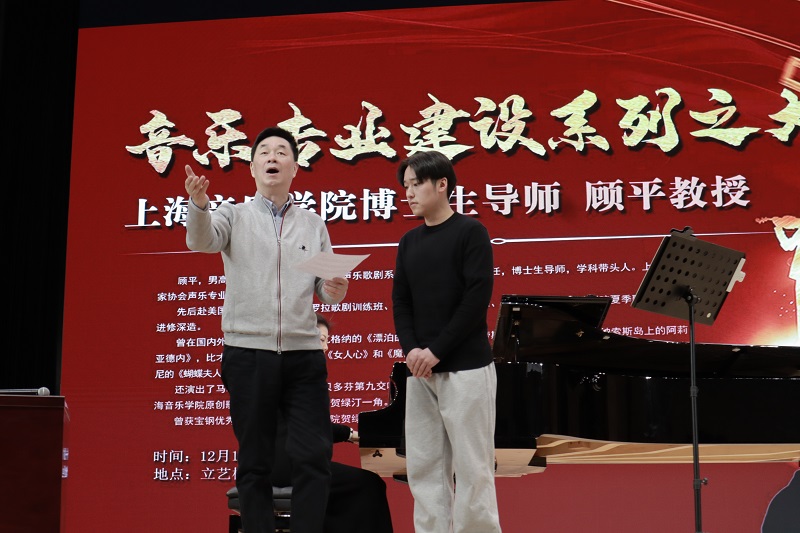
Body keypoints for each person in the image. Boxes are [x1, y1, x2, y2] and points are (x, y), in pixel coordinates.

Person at [183, 126, 349, 533]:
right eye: (264, 152)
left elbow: (328, 291)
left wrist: (335, 288)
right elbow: (201, 242)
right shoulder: (232, 215)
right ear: (253, 167)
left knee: (314, 456)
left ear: (294, 168)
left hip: (304, 354)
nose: (272, 157)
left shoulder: (313, 224)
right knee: (255, 460)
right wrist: (199, 205)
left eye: (281, 152)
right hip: (248, 352)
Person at [391, 150, 501, 533]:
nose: (409, 193)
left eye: (416, 184)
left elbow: (476, 299)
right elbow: (401, 302)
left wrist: (435, 351)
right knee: (424, 469)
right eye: (405, 186)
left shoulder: (471, 232)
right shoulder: (408, 242)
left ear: (442, 185)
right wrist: (412, 350)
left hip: (467, 369)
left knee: (473, 469)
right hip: (420, 372)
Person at [271, 313, 394, 533]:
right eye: (321, 340)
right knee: (369, 484)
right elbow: (311, 425)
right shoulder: (299, 376)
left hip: (280, 462)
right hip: (291, 465)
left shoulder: (284, 371)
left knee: (358, 485)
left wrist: (350, 435)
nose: (326, 347)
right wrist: (350, 434)